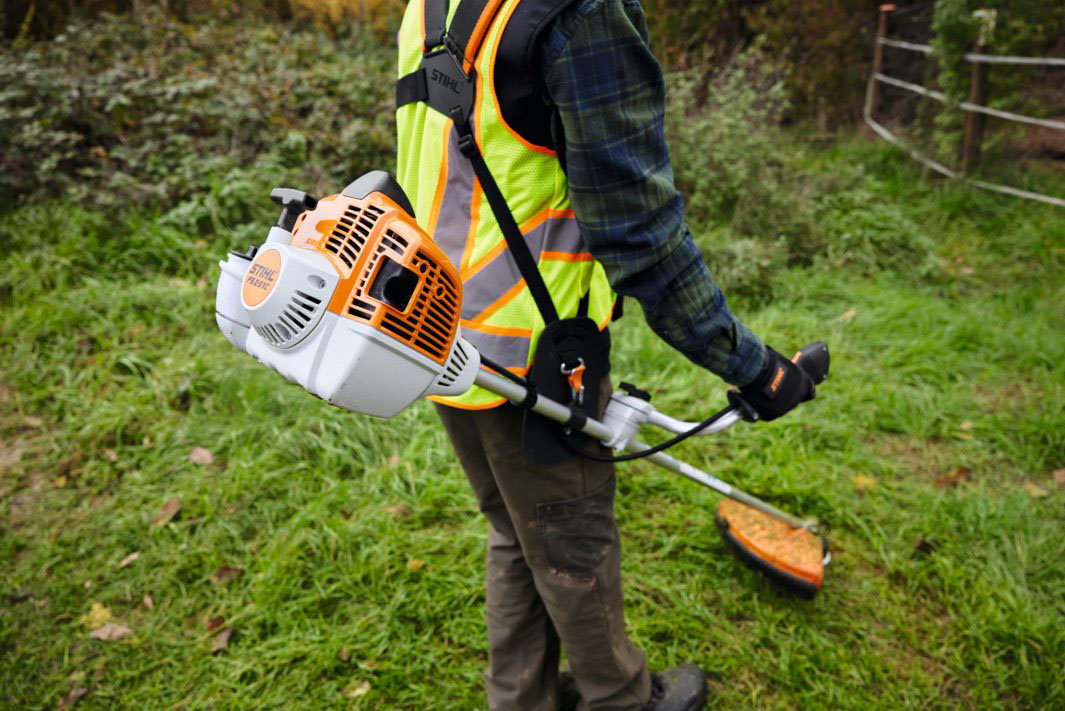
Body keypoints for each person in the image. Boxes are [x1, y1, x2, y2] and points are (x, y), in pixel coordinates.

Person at [393, 0, 815, 708]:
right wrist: (756, 368)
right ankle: (622, 698)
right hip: (538, 358)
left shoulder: (433, 4)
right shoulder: (579, 15)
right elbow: (640, 234)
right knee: (571, 545)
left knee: (518, 529)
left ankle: (520, 698)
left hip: (434, 329)